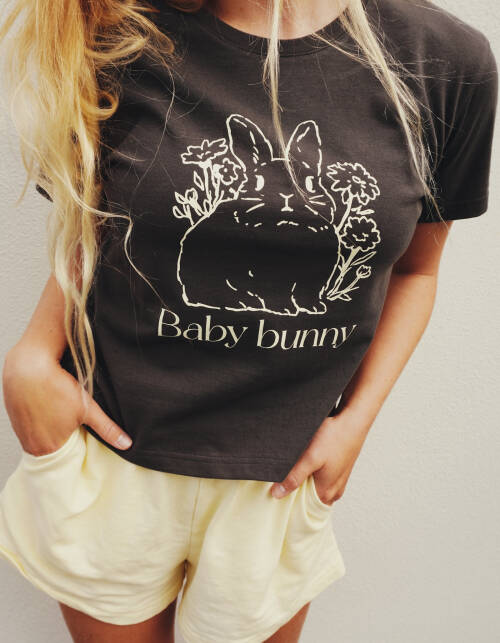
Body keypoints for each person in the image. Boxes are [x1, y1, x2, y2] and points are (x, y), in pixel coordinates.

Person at [0, 0, 497, 641]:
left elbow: (417, 271)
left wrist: (355, 423)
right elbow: (90, 221)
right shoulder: (121, 32)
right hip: (114, 457)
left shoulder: (443, 61)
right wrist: (33, 357)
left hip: (277, 483)